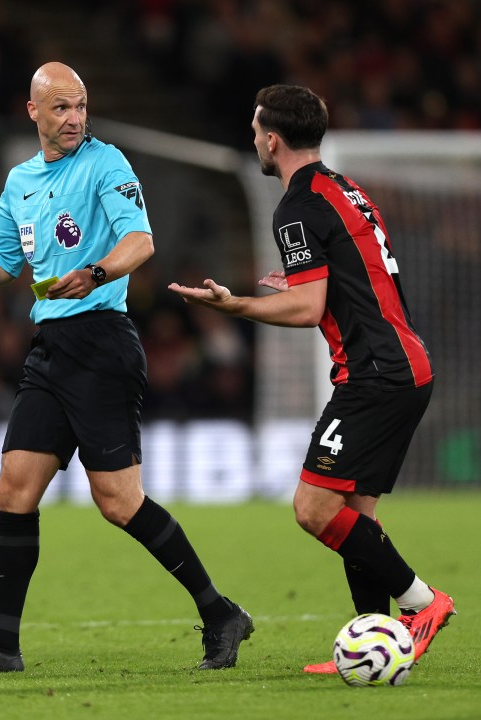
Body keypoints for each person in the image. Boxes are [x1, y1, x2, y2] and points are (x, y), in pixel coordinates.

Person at [0, 62, 253, 673]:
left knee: (117, 500)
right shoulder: (21, 180)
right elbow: (5, 260)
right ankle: (2, 645)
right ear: (32, 111)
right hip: (51, 349)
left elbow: (141, 241)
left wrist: (98, 272)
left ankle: (221, 613)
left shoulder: (106, 164)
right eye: (61, 108)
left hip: (103, 343)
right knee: (14, 487)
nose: (74, 119)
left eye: (80, 106)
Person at [169, 84, 455, 674]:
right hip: (405, 364)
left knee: (313, 507)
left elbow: (305, 309)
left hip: (375, 374)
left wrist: (236, 306)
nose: (254, 139)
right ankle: (377, 645)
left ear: (271, 138)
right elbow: (357, 275)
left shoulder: (297, 204)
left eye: (255, 130)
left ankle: (423, 604)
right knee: (358, 518)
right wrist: (307, 284)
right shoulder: (344, 188)